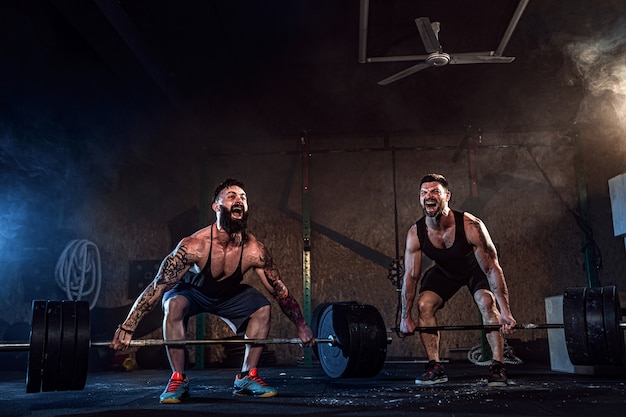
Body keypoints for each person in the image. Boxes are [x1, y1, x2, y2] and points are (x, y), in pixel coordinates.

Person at [110, 178, 315, 403]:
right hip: (191, 292)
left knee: (262, 308)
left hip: (228, 295)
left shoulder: (254, 250)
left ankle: (247, 377)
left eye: (243, 198)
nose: (239, 200)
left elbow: (279, 290)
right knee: (173, 303)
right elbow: (157, 286)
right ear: (216, 207)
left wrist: (302, 325)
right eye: (232, 196)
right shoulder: (194, 246)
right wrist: (128, 326)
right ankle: (178, 378)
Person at [399, 173, 517, 387]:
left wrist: (506, 313)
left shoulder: (471, 225)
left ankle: (498, 366)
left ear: (447, 196)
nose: (428, 196)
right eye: (424, 193)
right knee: (424, 305)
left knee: (487, 303)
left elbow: (491, 269)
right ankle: (435, 366)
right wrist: (405, 317)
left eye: (435, 191)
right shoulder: (416, 233)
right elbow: (410, 276)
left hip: (475, 270)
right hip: (445, 273)